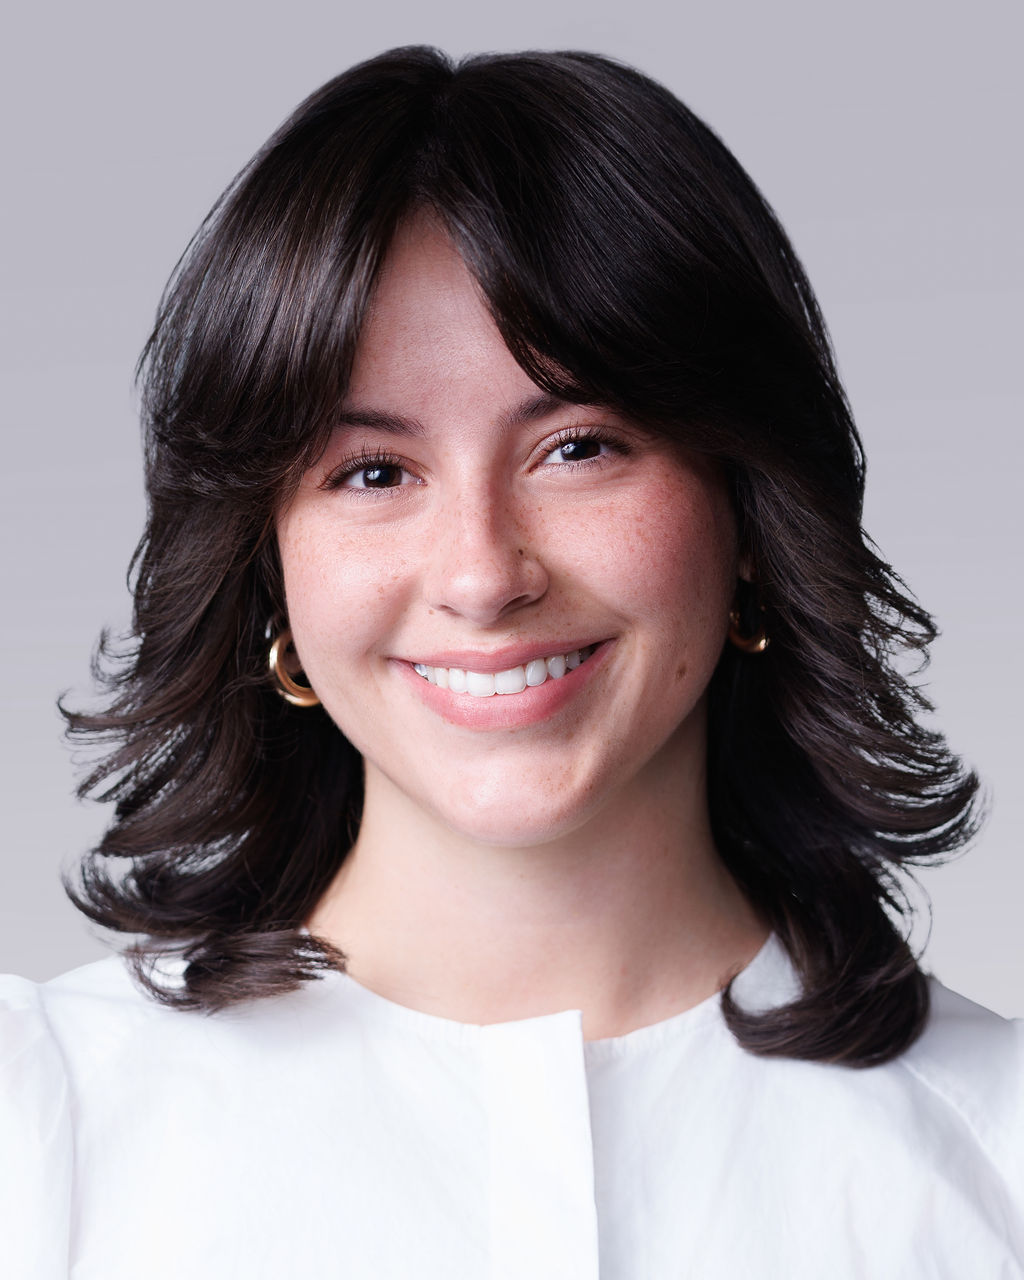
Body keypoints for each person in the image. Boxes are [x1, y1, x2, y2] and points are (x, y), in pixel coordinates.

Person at [1, 45, 1021, 1278]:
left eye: (579, 446)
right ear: (268, 567)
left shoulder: (993, 1153)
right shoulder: (44, 1130)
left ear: (748, 512)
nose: (483, 574)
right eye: (372, 473)